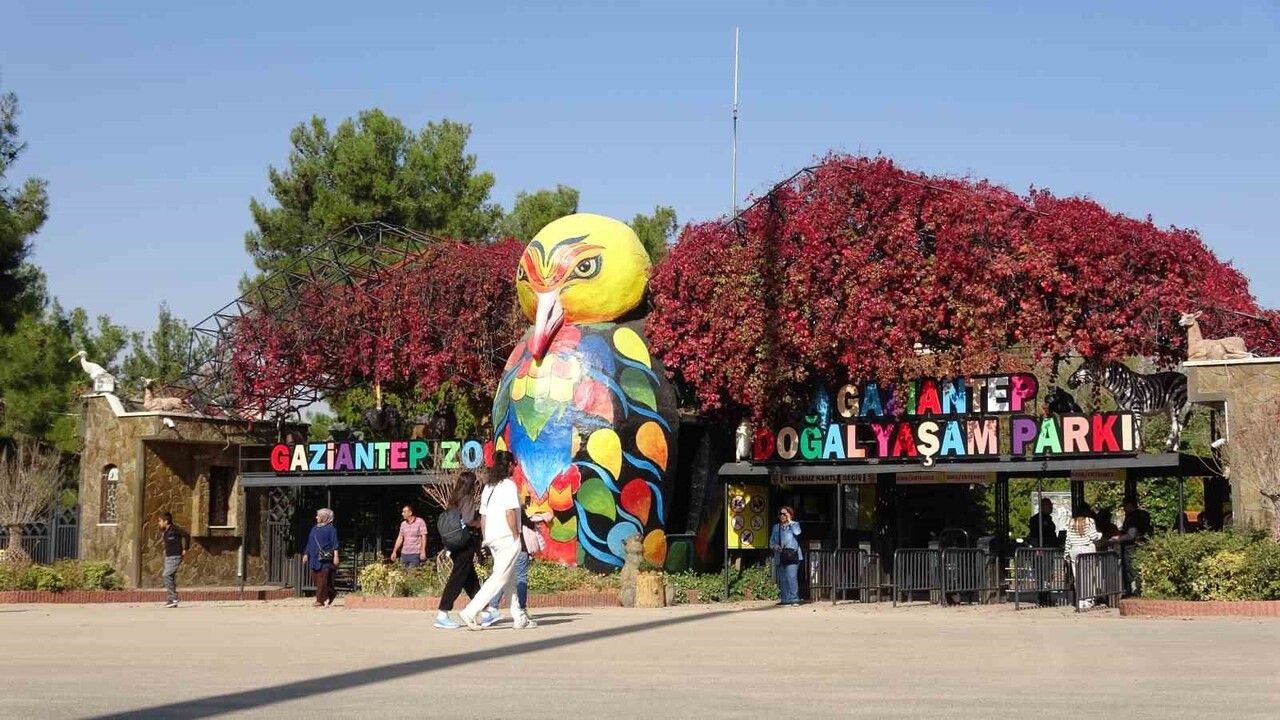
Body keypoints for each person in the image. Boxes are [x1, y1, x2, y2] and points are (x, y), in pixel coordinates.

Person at [460, 451, 525, 630]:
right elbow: (510, 512)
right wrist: (516, 535)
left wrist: (486, 537)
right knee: (499, 578)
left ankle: (519, 616)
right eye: (513, 464)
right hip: (507, 537)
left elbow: (483, 517)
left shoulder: (489, 487)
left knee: (508, 577)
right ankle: (470, 611)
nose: (515, 467)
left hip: (493, 538)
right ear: (509, 465)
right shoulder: (509, 486)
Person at [434, 471, 493, 629]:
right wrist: (479, 523)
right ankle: (443, 612)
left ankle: (486, 611)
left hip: (454, 544)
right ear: (470, 484)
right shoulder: (467, 498)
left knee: (470, 579)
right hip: (465, 543)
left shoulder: (454, 499)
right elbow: (467, 520)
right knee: (458, 578)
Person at [489, 496, 552, 629]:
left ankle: (492, 609)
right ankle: (521, 610)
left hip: (504, 549)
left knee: (503, 578)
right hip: (519, 548)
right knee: (520, 578)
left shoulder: (499, 513)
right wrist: (542, 515)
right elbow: (530, 522)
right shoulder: (517, 512)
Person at [1111, 497, 1152, 596]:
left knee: (1132, 571)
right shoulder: (1143, 515)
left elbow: (1131, 535)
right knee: (1140, 570)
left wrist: (1117, 538)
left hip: (1131, 548)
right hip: (1142, 546)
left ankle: (1134, 592)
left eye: (1125, 506)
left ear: (1130, 505)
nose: (1124, 509)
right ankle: (1140, 591)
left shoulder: (1132, 518)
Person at [1064, 504, 1103, 610]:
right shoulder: (1090, 521)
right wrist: (1101, 535)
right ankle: (1088, 599)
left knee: (1078, 576)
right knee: (1089, 576)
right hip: (1087, 549)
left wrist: (1066, 553)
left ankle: (1080, 600)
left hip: (1074, 550)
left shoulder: (1071, 522)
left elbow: (1068, 540)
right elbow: (1093, 535)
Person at [302, 508, 340, 608]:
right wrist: (306, 554)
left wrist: (336, 556)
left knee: (322, 580)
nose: (316, 517)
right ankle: (331, 593)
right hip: (314, 557)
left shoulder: (331, 529)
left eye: (318, 516)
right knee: (315, 578)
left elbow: (335, 544)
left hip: (325, 558)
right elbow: (309, 542)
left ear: (324, 517)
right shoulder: (314, 528)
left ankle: (319, 600)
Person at [769, 505, 803, 606]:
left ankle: (794, 599)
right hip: (780, 555)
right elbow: (771, 542)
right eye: (781, 514)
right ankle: (785, 599)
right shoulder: (776, 527)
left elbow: (798, 532)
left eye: (784, 514)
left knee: (791, 577)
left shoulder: (795, 525)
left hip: (792, 555)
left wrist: (790, 521)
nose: (782, 516)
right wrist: (775, 546)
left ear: (789, 514)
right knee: (783, 579)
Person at [157, 512, 190, 608]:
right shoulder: (166, 531)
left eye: (160, 521)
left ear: (166, 521)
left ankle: (173, 598)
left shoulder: (174, 529)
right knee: (170, 577)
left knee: (166, 575)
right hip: (169, 557)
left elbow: (186, 535)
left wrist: (185, 549)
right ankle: (172, 600)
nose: (159, 523)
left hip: (175, 556)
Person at [391, 504, 428, 569]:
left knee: (412, 576)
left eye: (404, 512)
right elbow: (400, 538)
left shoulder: (420, 522)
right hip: (404, 554)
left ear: (410, 513)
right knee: (403, 576)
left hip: (415, 554)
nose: (402, 514)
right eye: (402, 512)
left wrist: (423, 551)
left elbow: (423, 537)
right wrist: (394, 551)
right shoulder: (403, 524)